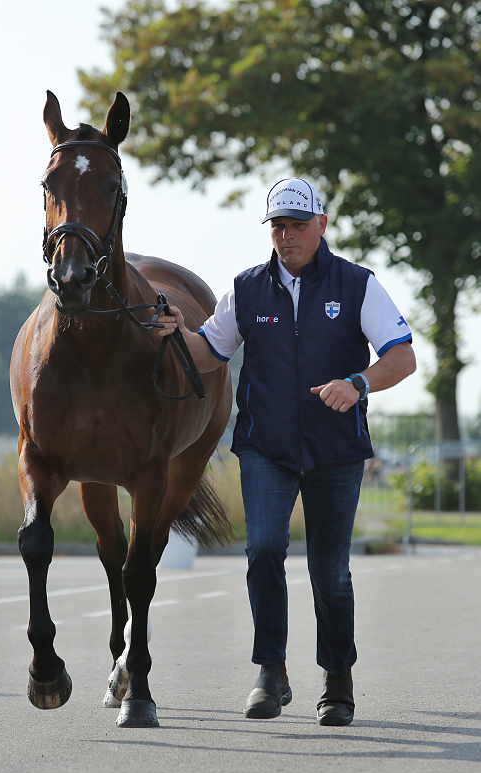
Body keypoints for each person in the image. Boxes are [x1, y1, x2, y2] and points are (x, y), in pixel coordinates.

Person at [158, 178, 416, 726]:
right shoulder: (247, 289)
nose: (288, 235)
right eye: (278, 225)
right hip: (265, 448)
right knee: (264, 549)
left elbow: (402, 357)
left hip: (336, 450)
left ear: (321, 225)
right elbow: (211, 352)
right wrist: (179, 335)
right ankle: (271, 674)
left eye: (298, 224)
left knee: (330, 572)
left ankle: (337, 681)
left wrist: (360, 383)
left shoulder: (358, 284)